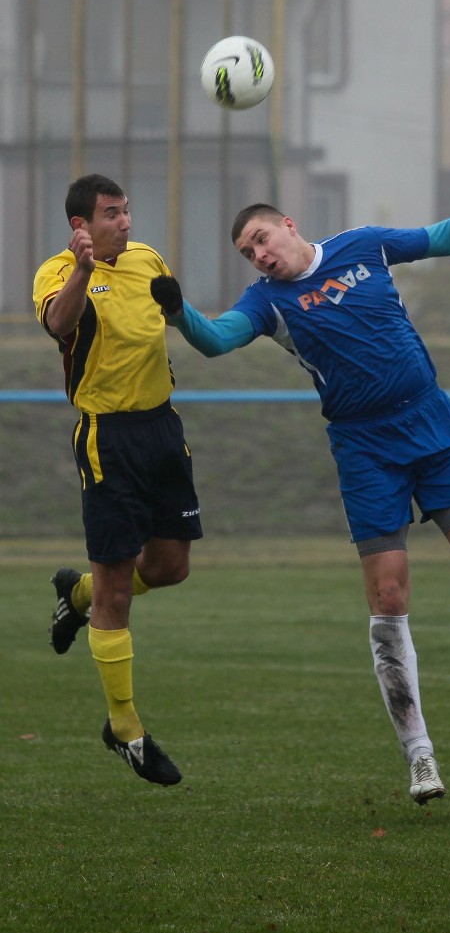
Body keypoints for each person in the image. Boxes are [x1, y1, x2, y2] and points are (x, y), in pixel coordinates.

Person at [150, 179, 450, 804]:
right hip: (365, 448)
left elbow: (447, 236)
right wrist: (177, 312)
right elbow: (216, 341)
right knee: (389, 596)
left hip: (431, 423)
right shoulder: (266, 302)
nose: (259, 256)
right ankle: (420, 756)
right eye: (247, 252)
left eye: (261, 240)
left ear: (289, 225)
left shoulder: (364, 246)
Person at [33, 173, 203, 786]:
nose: (125, 222)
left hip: (162, 430)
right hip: (107, 437)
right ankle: (125, 729)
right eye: (111, 214)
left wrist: (181, 307)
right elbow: (58, 324)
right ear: (82, 225)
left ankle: (75, 596)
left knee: (169, 569)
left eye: (127, 210)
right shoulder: (56, 271)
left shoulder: (146, 259)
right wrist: (82, 269)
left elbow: (168, 324)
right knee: (118, 591)